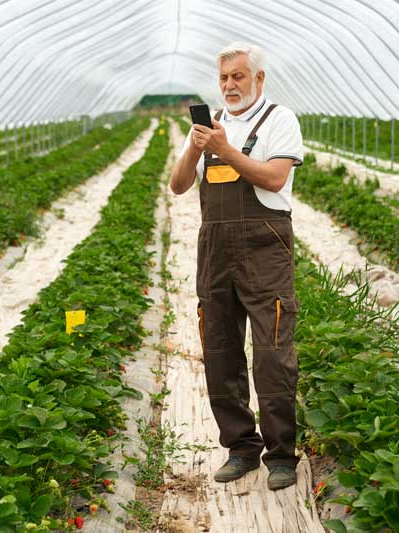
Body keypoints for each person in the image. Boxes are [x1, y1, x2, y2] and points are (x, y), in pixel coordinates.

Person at [169, 42, 304, 490]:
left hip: (265, 250)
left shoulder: (279, 120)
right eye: (224, 78)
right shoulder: (212, 128)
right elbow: (178, 185)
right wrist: (195, 146)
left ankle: (281, 455)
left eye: (239, 77)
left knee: (271, 354)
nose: (230, 85)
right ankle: (241, 447)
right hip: (216, 252)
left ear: (259, 79)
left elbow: (274, 178)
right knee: (221, 352)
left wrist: (227, 151)